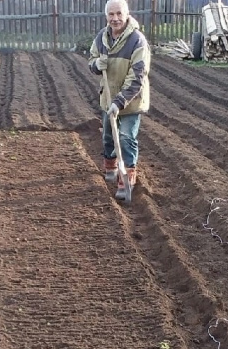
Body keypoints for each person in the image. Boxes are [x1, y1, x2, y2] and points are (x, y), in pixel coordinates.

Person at [88, 0, 151, 201]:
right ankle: (110, 166)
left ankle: (127, 177)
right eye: (111, 14)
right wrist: (97, 64)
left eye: (119, 14)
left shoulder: (137, 41)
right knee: (108, 136)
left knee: (125, 137)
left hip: (131, 100)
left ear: (127, 14)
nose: (115, 18)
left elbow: (138, 76)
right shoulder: (101, 38)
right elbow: (91, 61)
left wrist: (119, 101)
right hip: (108, 98)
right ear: (106, 16)